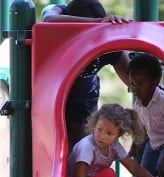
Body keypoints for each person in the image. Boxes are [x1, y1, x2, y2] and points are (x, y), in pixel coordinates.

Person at [42, 0, 131, 151]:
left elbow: (132, 79)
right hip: (53, 97)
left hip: (84, 99)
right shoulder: (61, 13)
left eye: (96, 35)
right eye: (86, 35)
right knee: (51, 145)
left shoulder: (107, 47)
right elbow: (49, 19)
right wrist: (96, 23)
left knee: (81, 150)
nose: (91, 42)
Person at [68, 103, 164, 177]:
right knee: (109, 174)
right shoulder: (87, 146)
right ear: (94, 125)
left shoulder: (114, 146)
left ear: (119, 134)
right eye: (99, 130)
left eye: (109, 133)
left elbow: (134, 167)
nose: (102, 136)